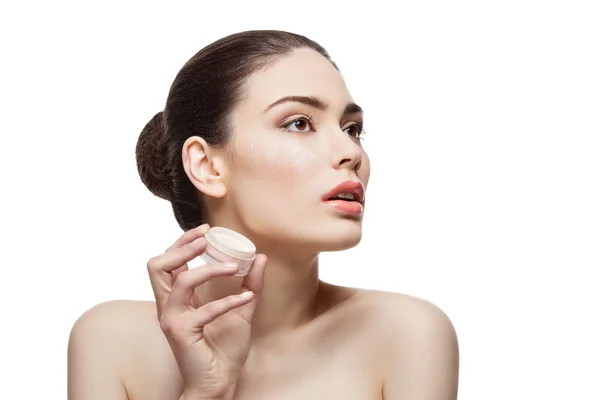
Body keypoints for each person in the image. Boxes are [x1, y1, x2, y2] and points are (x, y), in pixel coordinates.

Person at [67, 30, 459, 400]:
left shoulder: (407, 333)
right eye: (299, 123)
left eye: (352, 128)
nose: (351, 152)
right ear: (207, 166)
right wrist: (207, 391)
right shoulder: (110, 341)